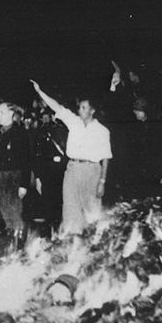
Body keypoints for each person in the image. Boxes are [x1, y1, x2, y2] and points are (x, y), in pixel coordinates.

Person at [31, 80, 112, 235]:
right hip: (73, 169)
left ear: (92, 110)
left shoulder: (102, 131)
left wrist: (102, 181)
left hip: (92, 171)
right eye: (80, 107)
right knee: (70, 207)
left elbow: (106, 158)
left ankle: (91, 244)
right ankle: (71, 241)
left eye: (84, 107)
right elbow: (57, 106)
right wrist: (40, 92)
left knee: (91, 211)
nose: (80, 110)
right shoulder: (73, 122)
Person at [0, 102, 32, 250]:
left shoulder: (19, 133)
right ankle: (12, 245)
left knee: (15, 214)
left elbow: (27, 161)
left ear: (11, 114)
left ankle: (19, 248)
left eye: (2, 112)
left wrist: (24, 185)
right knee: (6, 214)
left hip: (13, 178)